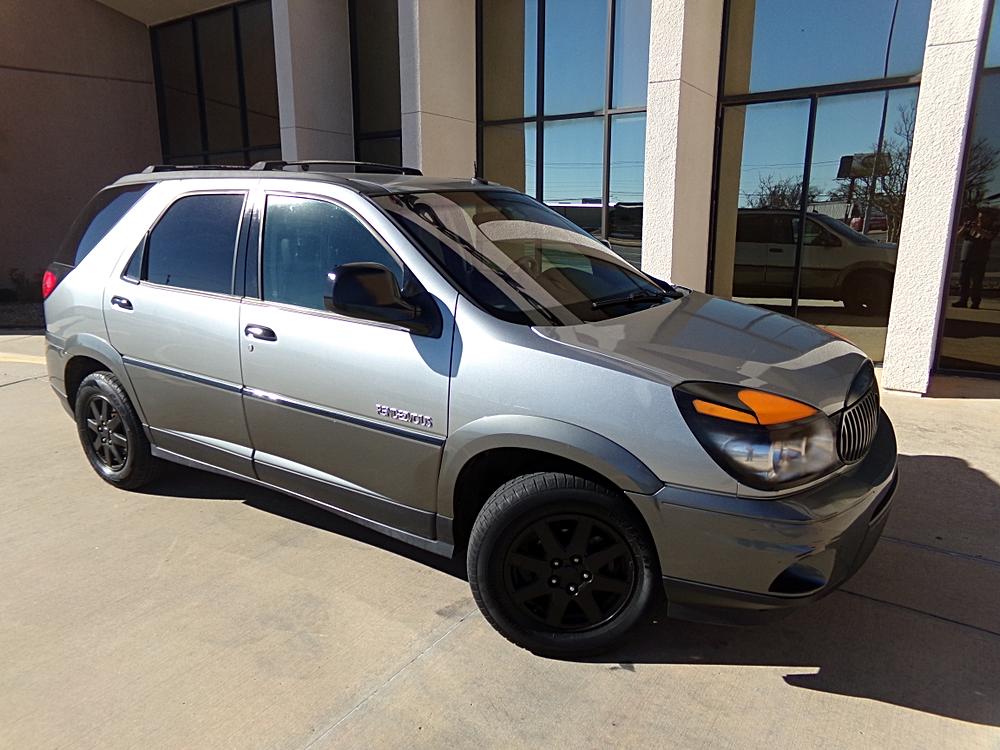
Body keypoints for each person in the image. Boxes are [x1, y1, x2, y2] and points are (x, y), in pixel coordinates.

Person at [954, 208, 997, 309]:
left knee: (976, 282)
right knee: (963, 280)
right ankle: (962, 300)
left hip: (979, 259)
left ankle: (975, 302)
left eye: (983, 218)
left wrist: (978, 229)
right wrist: (964, 228)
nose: (980, 219)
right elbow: (957, 237)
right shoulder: (971, 227)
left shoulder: (992, 228)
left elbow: (989, 236)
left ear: (988, 218)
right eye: (979, 217)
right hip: (966, 257)